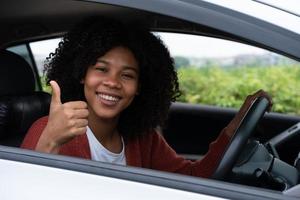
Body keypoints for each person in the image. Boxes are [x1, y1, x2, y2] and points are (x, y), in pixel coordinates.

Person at [21, 16, 272, 178]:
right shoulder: (49, 129)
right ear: (81, 75)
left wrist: (235, 125)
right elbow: (24, 190)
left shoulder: (142, 138)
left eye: (127, 75)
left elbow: (194, 180)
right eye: (101, 69)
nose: (112, 82)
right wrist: (50, 141)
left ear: (140, 86)